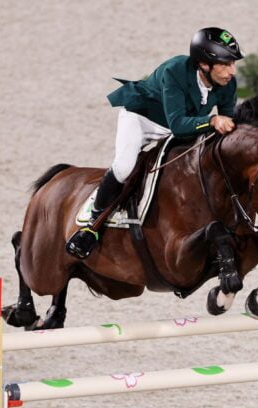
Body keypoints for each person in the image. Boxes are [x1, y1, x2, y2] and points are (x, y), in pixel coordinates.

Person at [66, 27, 244, 259]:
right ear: (204, 64)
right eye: (225, 64)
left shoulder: (227, 83)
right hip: (142, 119)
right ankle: (92, 225)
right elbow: (179, 125)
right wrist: (212, 120)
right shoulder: (175, 71)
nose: (232, 71)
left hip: (180, 124)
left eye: (233, 64)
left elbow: (228, 124)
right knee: (124, 167)